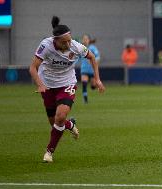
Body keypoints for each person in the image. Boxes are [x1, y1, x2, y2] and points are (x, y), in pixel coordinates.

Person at [29, 16, 105, 163]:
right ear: (55, 41)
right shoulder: (45, 46)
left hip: (67, 84)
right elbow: (33, 67)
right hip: (48, 85)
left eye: (70, 40)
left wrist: (97, 79)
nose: (68, 44)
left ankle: (49, 152)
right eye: (64, 42)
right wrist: (40, 84)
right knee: (55, 122)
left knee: (60, 117)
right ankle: (70, 125)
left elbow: (92, 57)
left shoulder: (76, 46)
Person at [79, 34, 101, 103]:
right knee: (84, 84)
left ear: (89, 40)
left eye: (86, 39)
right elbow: (77, 58)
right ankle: (85, 100)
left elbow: (98, 56)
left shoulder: (93, 48)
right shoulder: (80, 48)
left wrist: (94, 60)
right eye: (84, 39)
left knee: (93, 86)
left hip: (92, 70)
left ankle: (93, 86)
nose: (85, 40)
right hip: (84, 69)